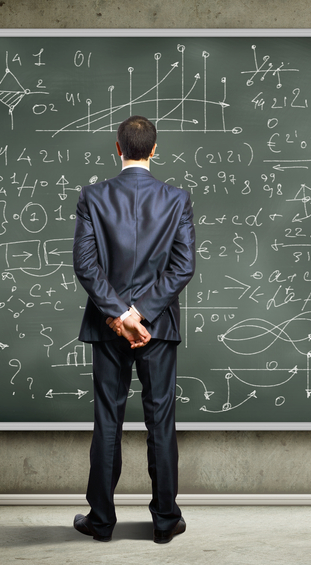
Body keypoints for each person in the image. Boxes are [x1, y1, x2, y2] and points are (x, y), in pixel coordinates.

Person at [71, 115, 196, 544]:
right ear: (154, 149)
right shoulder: (177, 199)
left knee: (108, 419)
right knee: (160, 419)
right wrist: (141, 313)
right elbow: (184, 266)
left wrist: (119, 314)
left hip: (108, 328)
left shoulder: (93, 197)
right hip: (157, 327)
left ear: (118, 148)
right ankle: (165, 522)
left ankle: (101, 522)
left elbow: (85, 266)